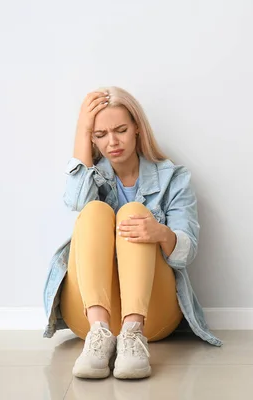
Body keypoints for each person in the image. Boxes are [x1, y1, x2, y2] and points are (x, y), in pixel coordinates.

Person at [42, 87, 222, 380]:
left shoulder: (173, 178)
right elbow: (75, 201)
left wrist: (161, 233)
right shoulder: (94, 175)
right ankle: (99, 336)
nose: (112, 142)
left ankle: (131, 335)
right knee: (93, 211)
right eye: (100, 135)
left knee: (134, 212)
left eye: (121, 130)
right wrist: (81, 130)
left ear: (137, 129)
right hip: (88, 316)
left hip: (153, 314)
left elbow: (186, 254)